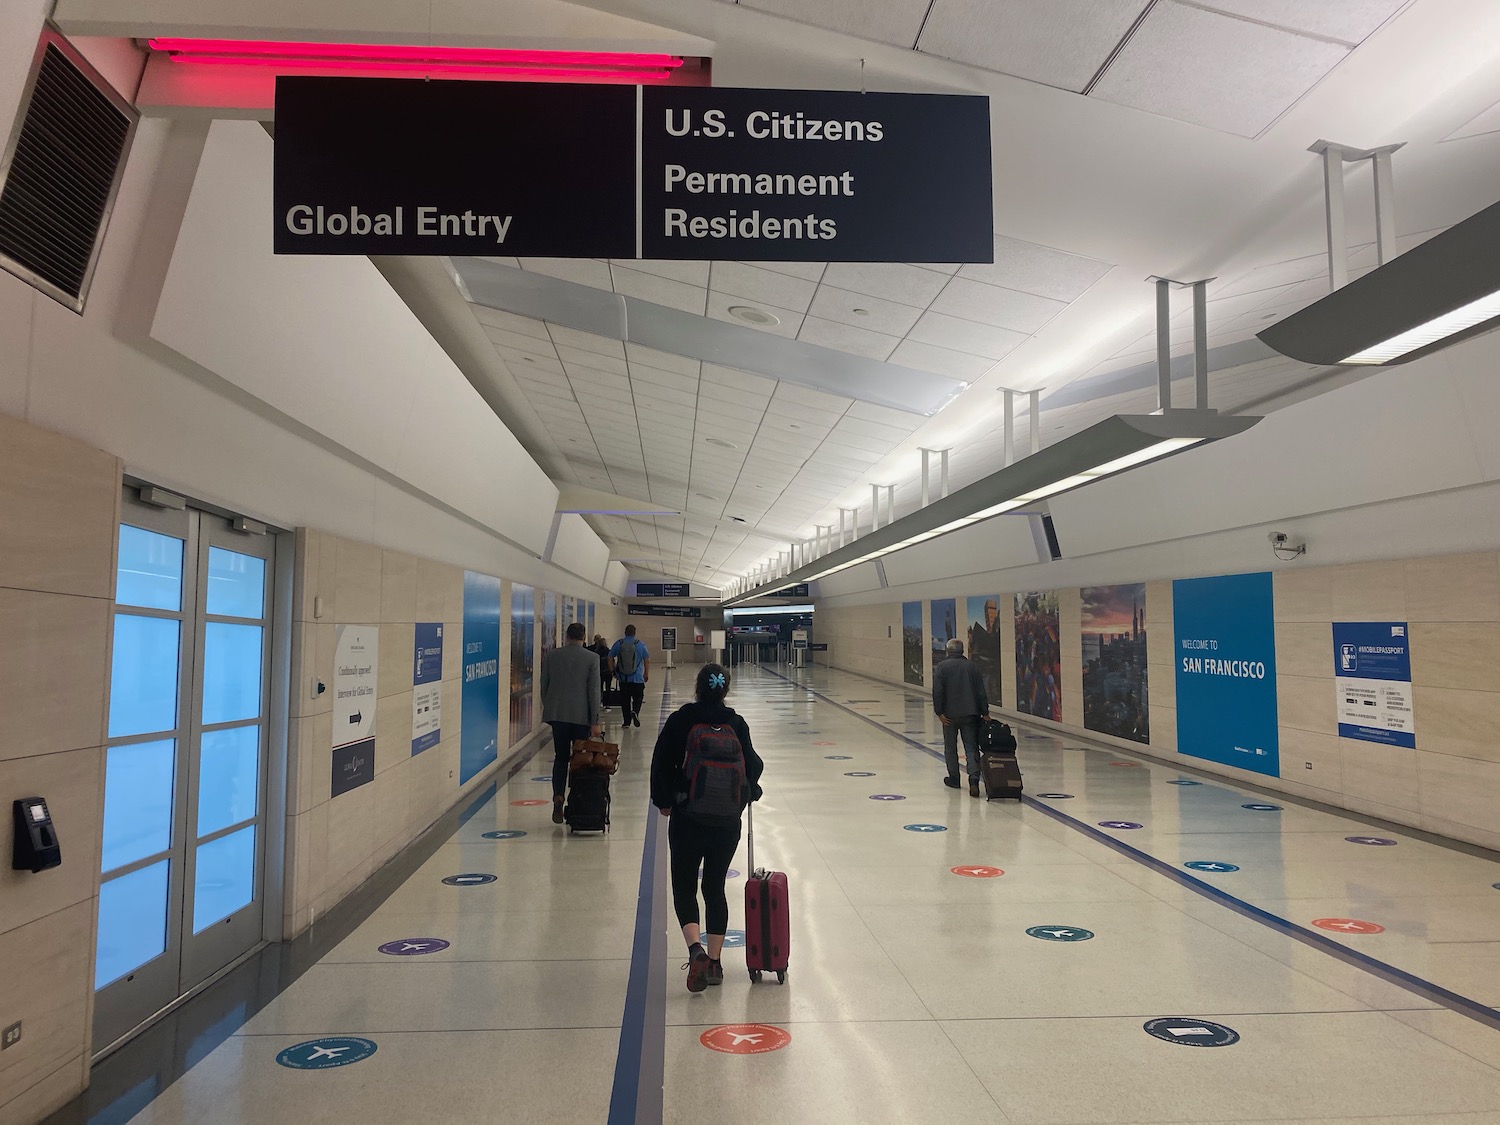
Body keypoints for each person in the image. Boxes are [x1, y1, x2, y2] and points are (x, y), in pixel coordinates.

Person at [650, 663, 764, 992]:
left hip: (688, 817)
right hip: (727, 822)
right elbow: (753, 765)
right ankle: (715, 963)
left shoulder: (683, 719)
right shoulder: (736, 723)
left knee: (685, 887)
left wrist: (664, 801)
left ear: (699, 687)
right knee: (715, 889)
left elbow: (661, 761)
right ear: (724, 690)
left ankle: (694, 949)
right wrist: (749, 791)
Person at [540, 622, 603, 824]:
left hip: (558, 715)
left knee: (560, 758)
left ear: (566, 636)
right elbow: (594, 691)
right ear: (584, 637)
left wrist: (550, 707)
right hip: (581, 717)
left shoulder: (552, 656)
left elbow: (544, 685)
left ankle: (558, 796)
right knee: (579, 760)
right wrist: (595, 720)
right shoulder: (592, 658)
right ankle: (576, 800)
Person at [932, 637, 990, 798]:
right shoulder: (972, 667)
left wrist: (939, 712)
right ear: (962, 650)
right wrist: (985, 712)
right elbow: (981, 692)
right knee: (971, 747)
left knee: (950, 747)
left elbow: (938, 692)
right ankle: (973, 780)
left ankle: (954, 778)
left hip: (949, 715)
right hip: (970, 714)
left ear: (948, 650)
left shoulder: (942, 667)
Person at [609, 624, 650, 728]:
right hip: (637, 679)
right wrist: (646, 673)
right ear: (634, 633)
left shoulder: (619, 643)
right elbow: (647, 660)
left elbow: (610, 657)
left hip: (623, 679)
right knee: (638, 697)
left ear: (625, 632)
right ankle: (635, 711)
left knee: (625, 700)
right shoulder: (640, 644)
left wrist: (613, 671)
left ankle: (626, 722)